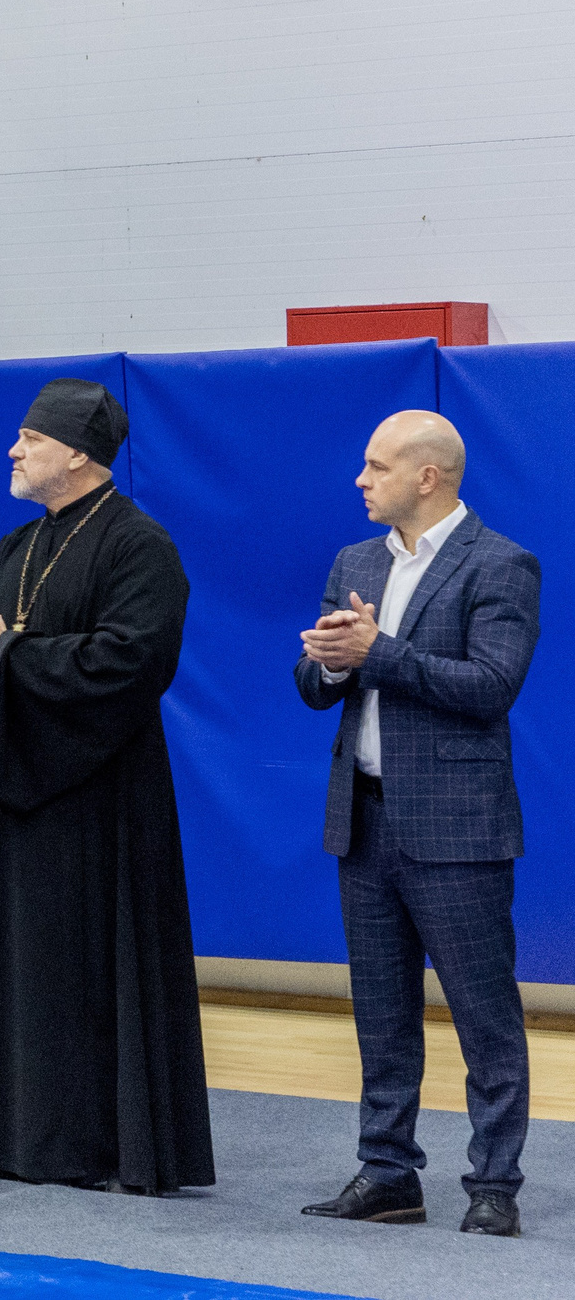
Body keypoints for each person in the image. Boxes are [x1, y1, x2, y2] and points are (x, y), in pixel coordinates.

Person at [0, 378, 210, 1194]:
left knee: (93, 971)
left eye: (29, 438)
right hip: (21, 795)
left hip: (102, 798)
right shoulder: (18, 544)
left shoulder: (139, 545)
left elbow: (134, 659)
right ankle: (20, 1138)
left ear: (78, 453)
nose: (13, 451)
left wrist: (8, 649)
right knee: (23, 973)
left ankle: (95, 1145)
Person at [294, 411, 538, 1239]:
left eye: (376, 466)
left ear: (426, 476)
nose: (361, 480)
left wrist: (375, 653)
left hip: (458, 830)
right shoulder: (354, 560)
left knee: (485, 1017)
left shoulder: (501, 564)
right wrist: (324, 661)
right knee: (381, 1012)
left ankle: (494, 1183)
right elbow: (318, 680)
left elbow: (491, 686)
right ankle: (388, 1172)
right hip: (364, 820)